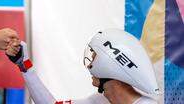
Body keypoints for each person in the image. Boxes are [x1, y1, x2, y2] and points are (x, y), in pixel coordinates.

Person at [8, 29, 160, 104]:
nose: (91, 61)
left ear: (111, 66)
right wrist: (24, 64)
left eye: (95, 56)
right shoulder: (100, 100)